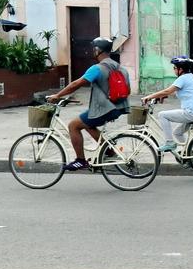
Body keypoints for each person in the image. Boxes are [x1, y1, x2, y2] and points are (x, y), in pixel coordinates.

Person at [46, 37, 130, 171]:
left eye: (93, 49)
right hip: (120, 107)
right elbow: (128, 90)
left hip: (105, 108)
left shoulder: (97, 68)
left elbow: (76, 84)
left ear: (98, 50)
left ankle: (80, 160)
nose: (92, 51)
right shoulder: (121, 68)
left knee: (73, 125)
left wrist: (57, 95)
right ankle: (108, 151)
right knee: (88, 124)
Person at [141, 55, 193, 153]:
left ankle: (169, 143)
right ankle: (188, 153)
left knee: (162, 115)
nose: (173, 70)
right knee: (177, 133)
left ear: (180, 69)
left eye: (174, 68)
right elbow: (177, 91)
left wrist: (149, 97)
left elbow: (167, 91)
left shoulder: (182, 79)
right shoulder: (191, 77)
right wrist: (162, 96)